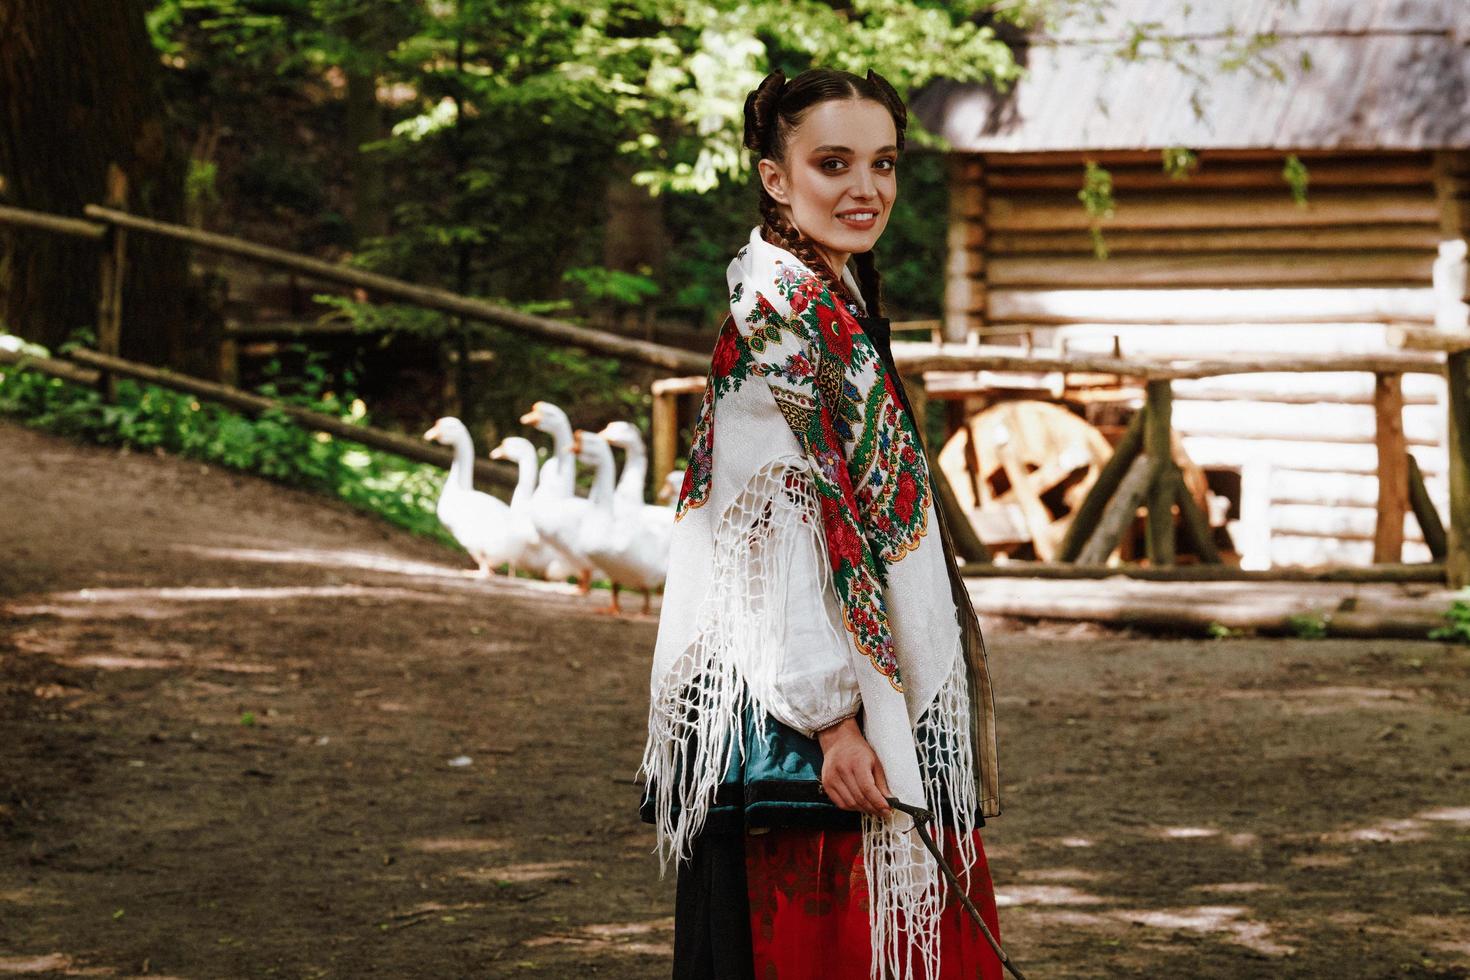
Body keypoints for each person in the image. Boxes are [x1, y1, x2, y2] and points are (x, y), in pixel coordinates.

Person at [639, 66, 1004, 980]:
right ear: (776, 177)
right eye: (832, 163)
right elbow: (768, 539)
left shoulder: (828, 305)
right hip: (805, 713)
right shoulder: (781, 325)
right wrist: (835, 725)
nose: (865, 188)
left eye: (882, 164)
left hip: (845, 690)